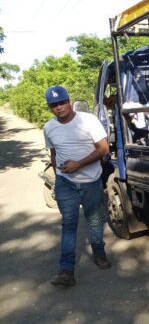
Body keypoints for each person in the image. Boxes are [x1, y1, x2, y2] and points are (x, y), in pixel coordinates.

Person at [43, 86, 111, 287]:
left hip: (91, 181)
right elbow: (54, 153)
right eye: (54, 105)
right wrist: (59, 175)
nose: (59, 107)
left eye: (62, 102)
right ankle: (66, 270)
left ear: (69, 101)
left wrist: (78, 164)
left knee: (95, 221)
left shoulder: (88, 120)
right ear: (49, 107)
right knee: (69, 224)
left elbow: (104, 148)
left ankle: (99, 253)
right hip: (66, 184)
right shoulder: (49, 127)